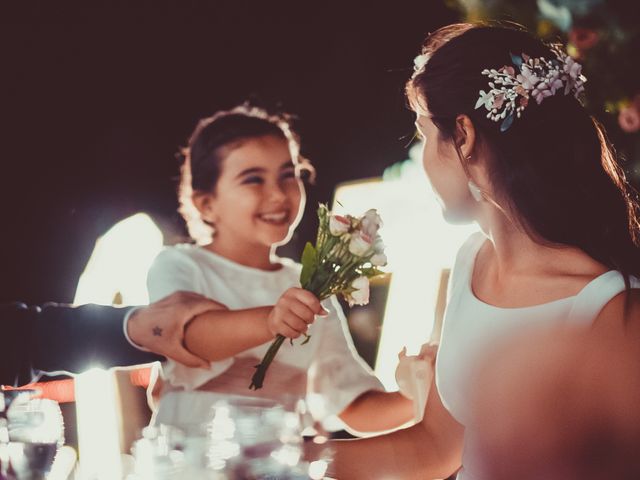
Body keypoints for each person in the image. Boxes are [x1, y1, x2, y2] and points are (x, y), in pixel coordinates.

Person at [315, 23, 640, 479]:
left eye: (424, 135)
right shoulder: (471, 261)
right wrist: (292, 457)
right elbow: (434, 448)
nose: (423, 158)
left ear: (463, 137)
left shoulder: (609, 309)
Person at [145, 105, 414, 433]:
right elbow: (189, 337)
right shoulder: (179, 265)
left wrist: (425, 390)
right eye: (253, 180)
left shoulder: (312, 287)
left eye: (289, 175)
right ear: (206, 204)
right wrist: (270, 320)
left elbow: (353, 405)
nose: (277, 194)